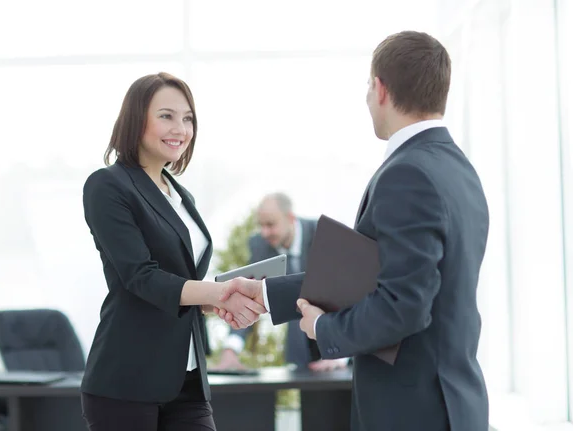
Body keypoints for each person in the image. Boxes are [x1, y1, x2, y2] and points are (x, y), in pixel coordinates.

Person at [217, 31, 490, 431]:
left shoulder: (407, 174)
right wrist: (264, 292)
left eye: (367, 85)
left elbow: (403, 304)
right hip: (448, 404)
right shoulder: (458, 170)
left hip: (413, 411)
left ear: (380, 88)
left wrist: (323, 328)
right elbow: (370, 278)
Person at [80, 72, 264, 431]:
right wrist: (220, 292)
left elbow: (181, 281)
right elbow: (141, 276)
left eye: (188, 118)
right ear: (136, 119)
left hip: (188, 379)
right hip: (127, 380)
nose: (180, 128)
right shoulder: (108, 185)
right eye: (166, 115)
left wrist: (214, 302)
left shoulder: (180, 195)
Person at [215, 193, 347, 372]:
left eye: (270, 224)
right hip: (301, 350)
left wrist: (340, 352)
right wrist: (231, 349)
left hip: (339, 343)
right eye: (261, 225)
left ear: (290, 218)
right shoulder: (260, 245)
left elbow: (345, 290)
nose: (264, 232)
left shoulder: (324, 234)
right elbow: (246, 294)